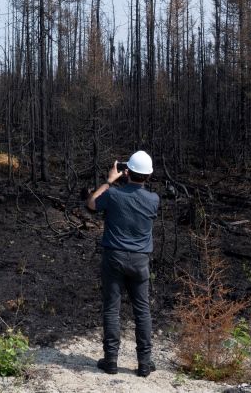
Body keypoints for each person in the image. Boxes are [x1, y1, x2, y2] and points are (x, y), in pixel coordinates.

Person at [86, 150, 159, 377]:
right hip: (139, 260)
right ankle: (144, 363)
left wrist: (109, 180)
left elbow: (92, 204)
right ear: (148, 176)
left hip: (114, 257)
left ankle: (111, 361)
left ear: (127, 172)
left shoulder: (114, 195)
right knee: (142, 311)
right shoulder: (154, 199)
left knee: (111, 309)